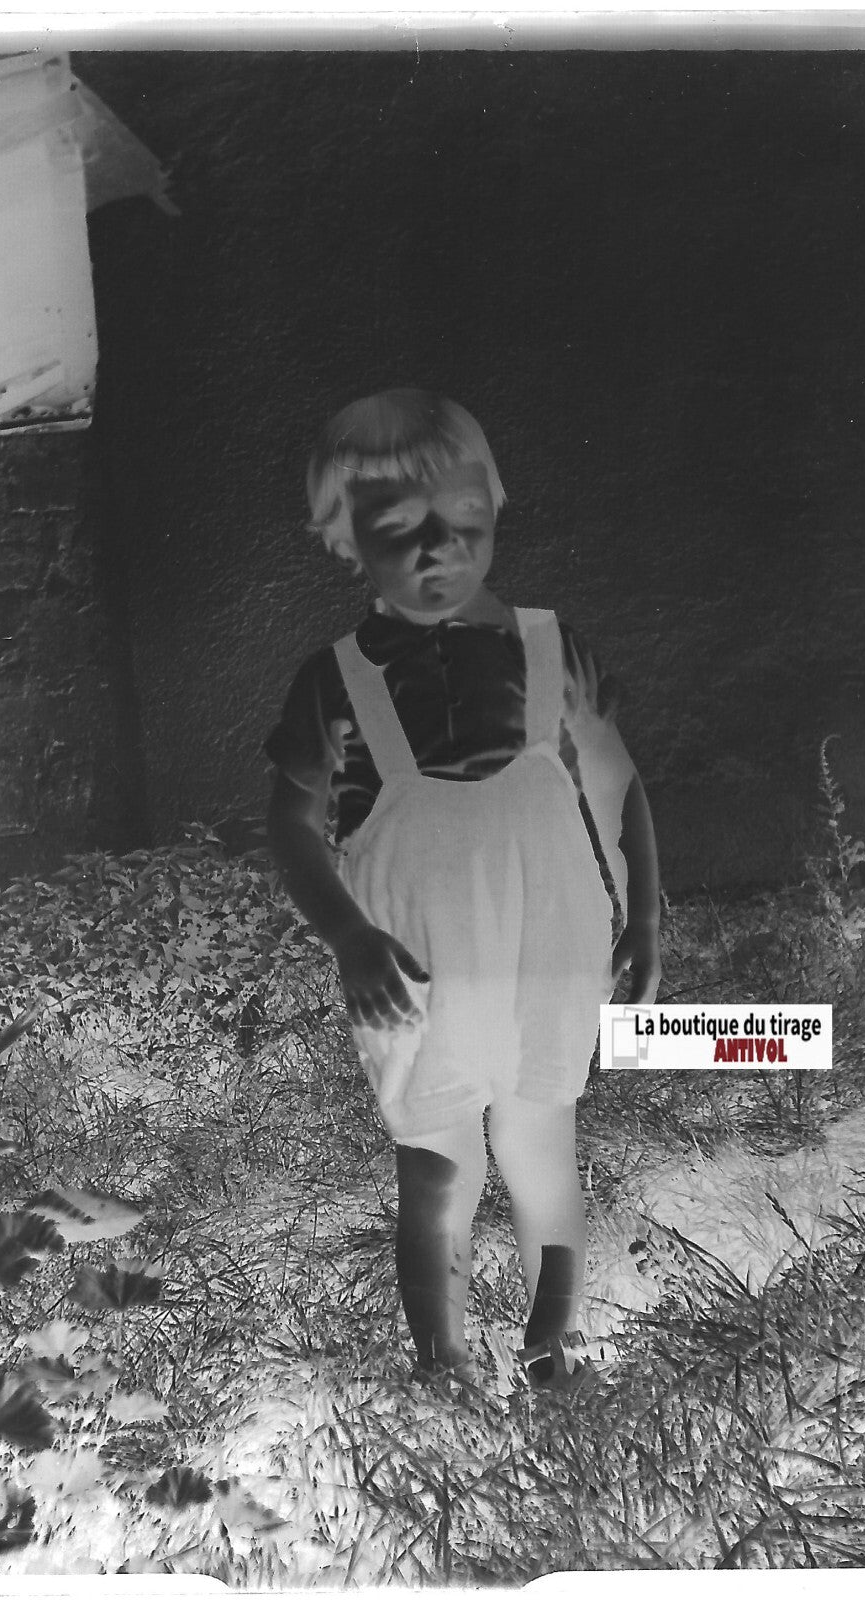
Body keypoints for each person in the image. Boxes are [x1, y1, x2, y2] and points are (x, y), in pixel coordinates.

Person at [265, 388, 661, 1390]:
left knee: (538, 1135)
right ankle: (443, 1358)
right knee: (438, 1165)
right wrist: (349, 936)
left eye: (465, 523)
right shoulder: (336, 678)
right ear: (345, 538)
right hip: (414, 961)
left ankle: (554, 1339)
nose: (438, 551)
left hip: (548, 945)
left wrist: (645, 909)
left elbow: (615, 783)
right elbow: (292, 825)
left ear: (495, 507)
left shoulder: (545, 645)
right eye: (399, 531)